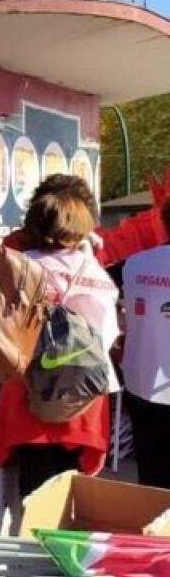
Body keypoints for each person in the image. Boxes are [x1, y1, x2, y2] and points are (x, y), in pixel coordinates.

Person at [0, 175, 120, 498]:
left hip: (29, 388)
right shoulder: (97, 275)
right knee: (71, 490)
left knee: (32, 486)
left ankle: (31, 543)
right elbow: (108, 336)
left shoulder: (20, 265)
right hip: (85, 394)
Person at [120, 197, 170, 489]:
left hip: (142, 386)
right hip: (147, 387)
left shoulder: (135, 264)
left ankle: (153, 534)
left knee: (151, 481)